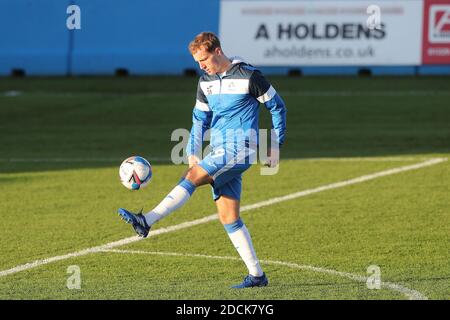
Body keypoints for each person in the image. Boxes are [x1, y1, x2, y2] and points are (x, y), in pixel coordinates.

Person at [118, 32, 286, 289]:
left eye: (204, 59)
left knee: (193, 176)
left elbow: (277, 107)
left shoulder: (250, 76)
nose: (201, 65)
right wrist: (193, 150)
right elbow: (199, 120)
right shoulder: (205, 81)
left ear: (218, 51)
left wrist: (274, 144)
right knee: (228, 217)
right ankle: (257, 276)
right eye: (197, 61)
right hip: (218, 149)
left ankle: (146, 220)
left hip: (243, 147)